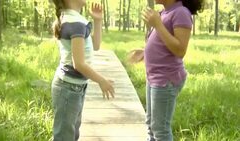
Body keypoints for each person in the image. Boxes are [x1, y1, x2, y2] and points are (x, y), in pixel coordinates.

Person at [128, 0, 203, 140]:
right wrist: (145, 52)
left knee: (160, 129)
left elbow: (180, 50)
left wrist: (157, 24)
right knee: (151, 125)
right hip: (154, 78)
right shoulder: (164, 12)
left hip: (166, 79)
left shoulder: (181, 13)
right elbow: (163, 43)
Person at [51, 0, 115, 141]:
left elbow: (96, 45)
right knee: (64, 136)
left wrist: (97, 21)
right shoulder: (74, 22)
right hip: (68, 88)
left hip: (73, 87)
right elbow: (78, 64)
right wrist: (101, 80)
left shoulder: (74, 19)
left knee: (71, 132)